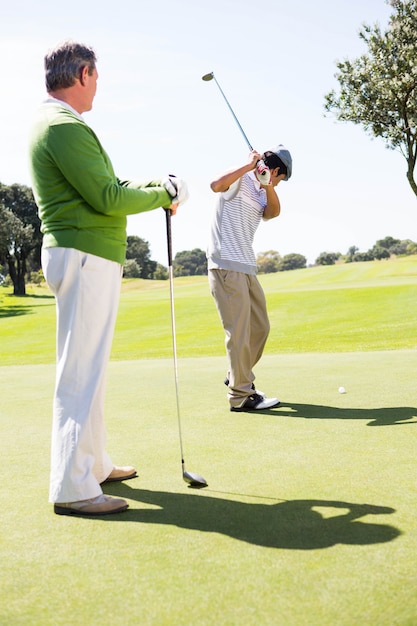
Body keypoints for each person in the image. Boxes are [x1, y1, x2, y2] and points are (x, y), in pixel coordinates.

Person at [28, 41, 187, 517]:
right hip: (83, 255)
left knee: (90, 372)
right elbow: (107, 197)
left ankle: (94, 463)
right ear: (83, 73)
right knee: (80, 373)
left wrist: (159, 188)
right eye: (96, 77)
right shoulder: (63, 125)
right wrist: (162, 194)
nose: (98, 85)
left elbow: (111, 188)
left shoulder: (61, 124)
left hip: (87, 254)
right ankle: (74, 488)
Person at [207, 146, 292, 411]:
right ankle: (240, 395)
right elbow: (215, 184)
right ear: (276, 170)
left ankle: (237, 375)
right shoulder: (239, 181)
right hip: (226, 265)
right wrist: (247, 166)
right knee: (239, 332)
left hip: (246, 267)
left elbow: (273, 213)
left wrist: (267, 185)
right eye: (280, 179)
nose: (278, 184)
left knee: (260, 327)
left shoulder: (261, 192)